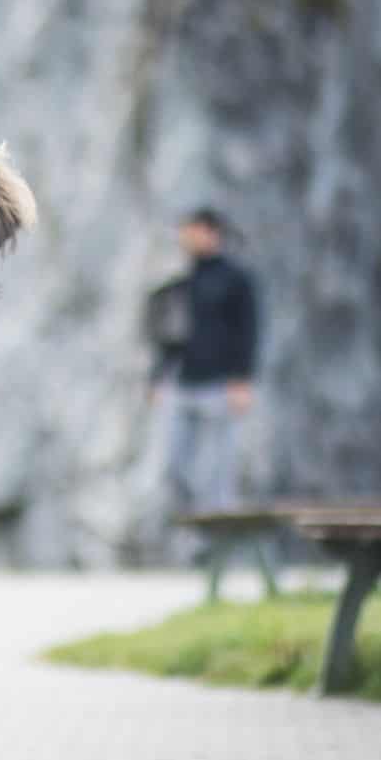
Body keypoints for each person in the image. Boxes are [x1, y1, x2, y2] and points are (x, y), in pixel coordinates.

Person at [148, 207, 259, 533]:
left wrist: (242, 379)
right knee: (173, 464)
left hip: (220, 385)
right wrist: (158, 377)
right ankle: (192, 536)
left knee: (218, 471)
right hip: (183, 384)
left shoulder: (236, 279)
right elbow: (170, 334)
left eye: (191, 230)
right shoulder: (182, 280)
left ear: (211, 232)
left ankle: (218, 544)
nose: (185, 237)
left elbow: (248, 330)